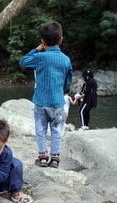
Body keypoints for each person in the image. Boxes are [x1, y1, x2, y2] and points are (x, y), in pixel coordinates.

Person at [19, 22, 73, 168]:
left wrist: (37, 50)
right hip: (57, 102)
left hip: (41, 101)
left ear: (42, 42)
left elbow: (23, 62)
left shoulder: (40, 57)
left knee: (41, 129)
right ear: (61, 40)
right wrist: (63, 91)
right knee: (57, 130)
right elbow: (68, 81)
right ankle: (55, 159)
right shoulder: (66, 60)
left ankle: (43, 157)